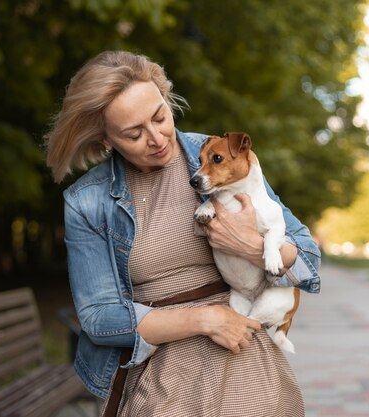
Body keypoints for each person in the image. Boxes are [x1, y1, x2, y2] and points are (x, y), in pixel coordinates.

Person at [44, 50, 321, 417]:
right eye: (134, 133)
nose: (157, 137)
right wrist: (204, 319)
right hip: (161, 366)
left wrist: (252, 246)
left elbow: (308, 257)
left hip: (244, 347)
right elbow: (98, 318)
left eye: (160, 117)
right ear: (106, 139)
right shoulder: (87, 202)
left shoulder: (216, 157)